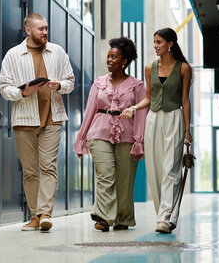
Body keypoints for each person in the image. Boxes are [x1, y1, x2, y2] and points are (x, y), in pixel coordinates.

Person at [0, 13, 75, 232]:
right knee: (30, 171)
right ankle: (34, 216)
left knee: (48, 167)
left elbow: (70, 82)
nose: (45, 32)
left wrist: (58, 85)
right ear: (28, 30)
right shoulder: (13, 55)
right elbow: (4, 88)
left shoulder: (57, 52)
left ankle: (44, 214)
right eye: (40, 29)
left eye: (46, 28)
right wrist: (24, 92)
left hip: (53, 118)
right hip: (24, 120)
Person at [120, 28, 192, 234]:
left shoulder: (184, 68)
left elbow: (185, 100)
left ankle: (165, 217)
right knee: (155, 169)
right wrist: (134, 107)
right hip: (153, 119)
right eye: (154, 42)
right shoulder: (149, 68)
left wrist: (187, 129)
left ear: (170, 43)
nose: (155, 46)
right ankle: (165, 215)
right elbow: (149, 98)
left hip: (174, 118)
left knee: (170, 168)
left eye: (159, 42)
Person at [74, 37, 147, 231]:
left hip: (127, 134)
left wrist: (139, 141)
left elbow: (141, 116)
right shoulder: (99, 83)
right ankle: (104, 218)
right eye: (108, 56)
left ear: (124, 61)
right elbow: (90, 110)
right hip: (99, 132)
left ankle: (123, 218)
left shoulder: (137, 85)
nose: (109, 60)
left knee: (125, 178)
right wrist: (81, 139)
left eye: (113, 57)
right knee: (105, 175)